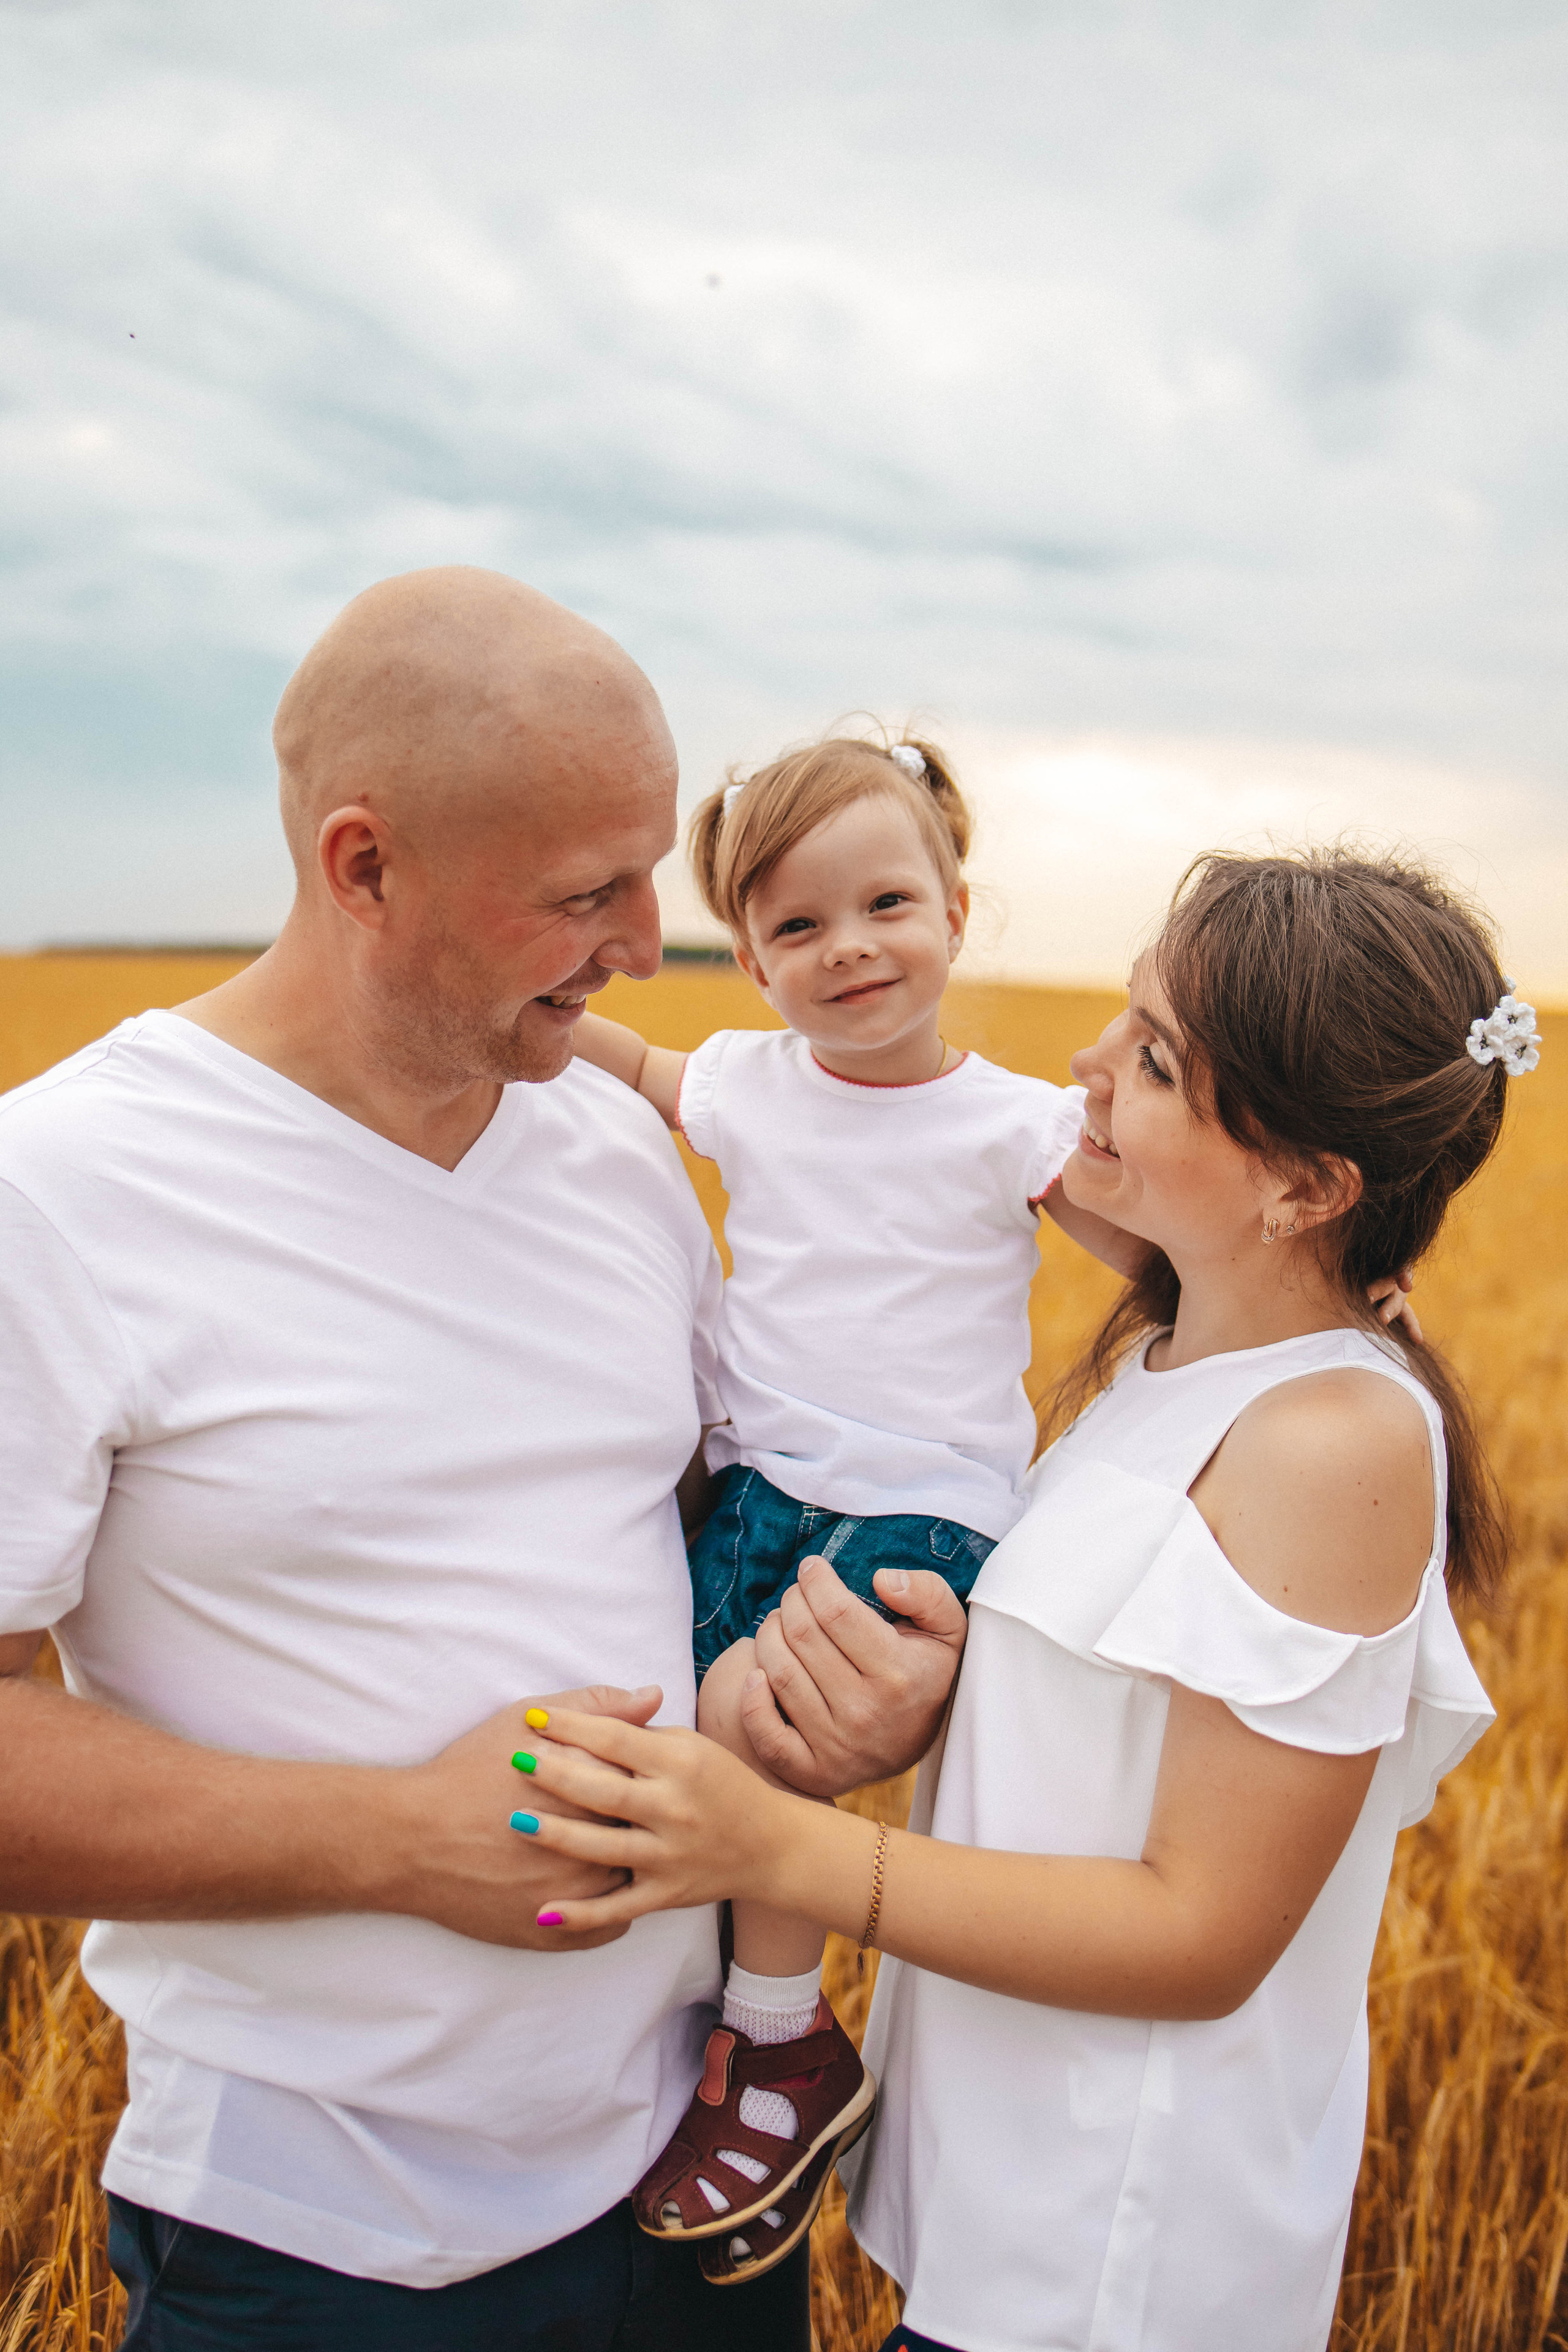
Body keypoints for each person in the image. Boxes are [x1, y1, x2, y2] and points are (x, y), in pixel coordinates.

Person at [0, 568, 967, 2352]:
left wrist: (848, 1694)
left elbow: (695, 1540)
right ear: (363, 868)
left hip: (702, 2184)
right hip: (318, 2242)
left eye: (655, 878)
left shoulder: (607, 1145)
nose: (645, 948)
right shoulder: (57, 1195)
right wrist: (394, 1838)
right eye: (583, 895)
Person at [491, 846, 1529, 2347]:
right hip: (1010, 2210)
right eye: (1124, 1017)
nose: (1088, 1068)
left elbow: (1201, 1935)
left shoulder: (1333, 1440)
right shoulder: (1158, 1369)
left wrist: (772, 1842)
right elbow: (1092, 1733)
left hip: (1124, 2263)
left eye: (1156, 1060)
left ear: (1308, 1186)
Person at [571, 731, 1145, 2282]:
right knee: (692, 1718)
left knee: (769, 1733)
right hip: (766, 1483)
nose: (850, 950)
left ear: (959, 908)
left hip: (920, 1508)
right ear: (749, 961)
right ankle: (718, 2018)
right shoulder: (749, 1084)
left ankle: (778, 2046)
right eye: (796, 927)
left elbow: (1161, 1251)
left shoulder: (1013, 1124)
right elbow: (632, 1064)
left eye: (887, 902)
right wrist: (519, 1026)